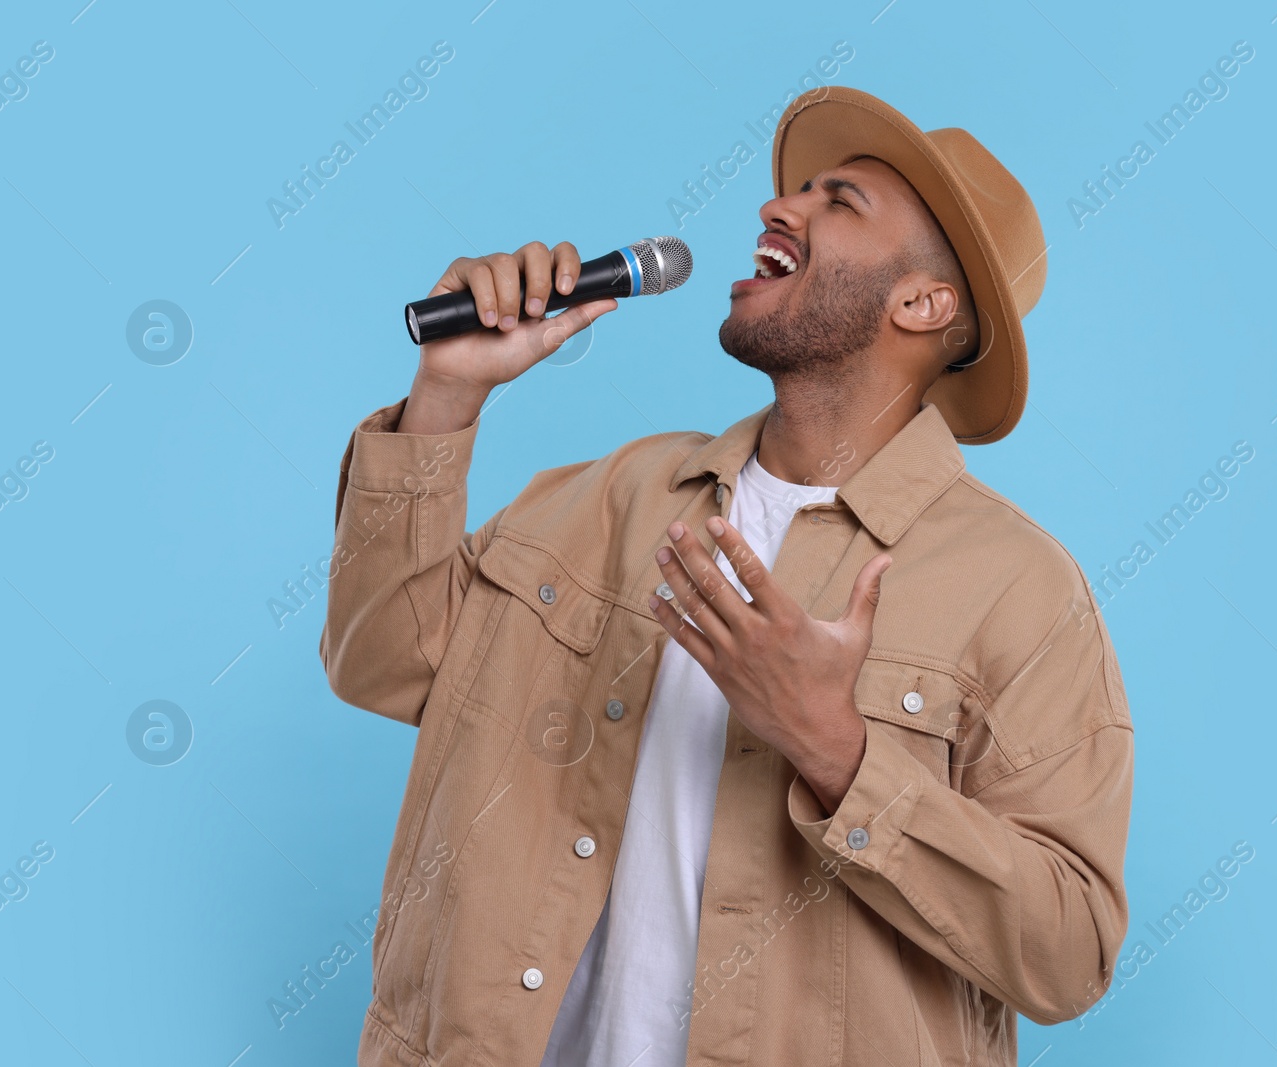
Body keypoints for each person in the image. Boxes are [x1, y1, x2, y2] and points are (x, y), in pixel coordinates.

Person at [320, 85, 1134, 1067]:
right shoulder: (610, 494)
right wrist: (445, 395)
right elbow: (383, 665)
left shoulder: (1018, 586)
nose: (776, 208)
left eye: (839, 202)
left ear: (922, 302)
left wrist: (840, 754)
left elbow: (1067, 954)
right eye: (796, 191)